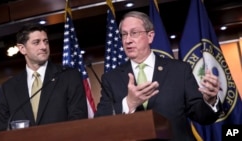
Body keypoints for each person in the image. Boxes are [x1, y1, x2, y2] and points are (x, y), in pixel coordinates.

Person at [95, 11, 222, 141]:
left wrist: (210, 100)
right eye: (124, 34)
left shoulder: (179, 70)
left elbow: (203, 117)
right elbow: (100, 123)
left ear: (150, 36)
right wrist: (129, 103)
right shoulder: (111, 78)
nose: (127, 40)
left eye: (134, 33)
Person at [0, 23, 88, 131]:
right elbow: (0, 130)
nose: (43, 47)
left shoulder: (69, 76)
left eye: (46, 41)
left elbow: (78, 120)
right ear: (22, 49)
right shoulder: (8, 88)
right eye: (36, 42)